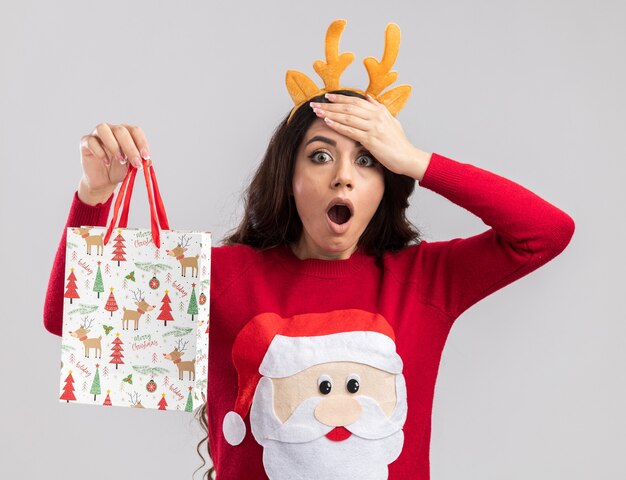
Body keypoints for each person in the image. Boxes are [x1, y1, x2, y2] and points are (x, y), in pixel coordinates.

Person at [43, 19, 575, 480]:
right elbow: (71, 319)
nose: (344, 176)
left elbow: (547, 231)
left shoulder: (423, 280)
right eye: (321, 156)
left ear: (384, 185)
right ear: (290, 177)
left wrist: (415, 159)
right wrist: (95, 195)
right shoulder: (226, 275)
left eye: (367, 161)